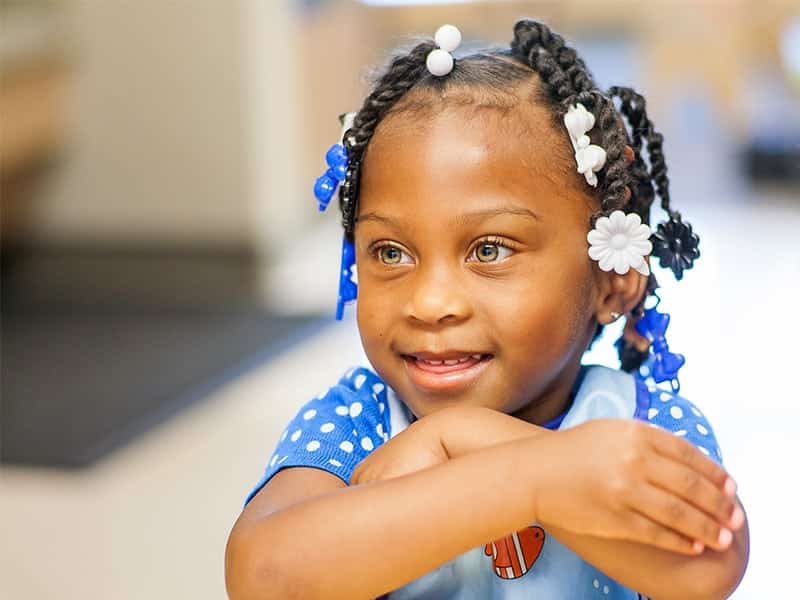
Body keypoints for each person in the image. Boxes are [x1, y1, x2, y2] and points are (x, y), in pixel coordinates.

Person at [225, 19, 749, 600]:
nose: (430, 303)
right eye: (391, 252)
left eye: (489, 249)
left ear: (612, 280)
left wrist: (478, 446)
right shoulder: (358, 422)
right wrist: (530, 478)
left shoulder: (639, 424)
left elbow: (708, 568)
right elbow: (264, 576)